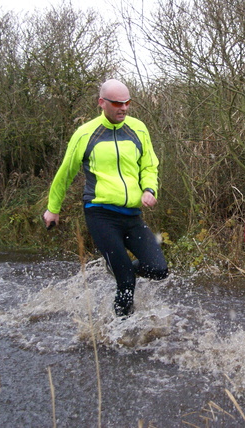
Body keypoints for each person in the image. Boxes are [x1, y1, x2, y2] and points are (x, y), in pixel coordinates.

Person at [43, 79, 168, 317]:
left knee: (158, 269)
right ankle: (119, 332)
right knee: (127, 283)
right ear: (102, 103)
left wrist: (149, 189)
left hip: (132, 215)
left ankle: (121, 270)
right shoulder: (85, 133)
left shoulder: (138, 129)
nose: (124, 108)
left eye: (128, 102)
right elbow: (65, 173)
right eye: (117, 103)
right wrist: (53, 209)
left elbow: (150, 165)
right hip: (101, 215)